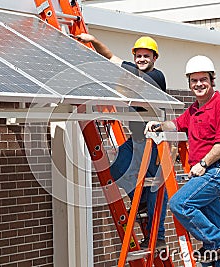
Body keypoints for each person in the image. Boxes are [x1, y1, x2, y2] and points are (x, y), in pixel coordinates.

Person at [75, 33, 168, 248]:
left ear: (155, 58)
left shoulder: (157, 76)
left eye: (147, 55)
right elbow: (110, 57)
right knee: (116, 170)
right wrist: (93, 39)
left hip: (154, 142)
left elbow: (147, 95)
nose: (142, 59)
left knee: (156, 188)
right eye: (138, 55)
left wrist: (125, 90)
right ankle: (141, 201)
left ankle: (158, 236)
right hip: (136, 140)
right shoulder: (132, 71)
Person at [145, 55, 220, 266]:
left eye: (203, 79)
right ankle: (217, 246)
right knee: (215, 224)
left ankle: (217, 242)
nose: (199, 84)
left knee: (180, 203)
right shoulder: (194, 109)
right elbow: (176, 125)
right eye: (194, 81)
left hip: (214, 172)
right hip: (204, 174)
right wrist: (158, 125)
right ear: (189, 83)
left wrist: (203, 163)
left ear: (212, 80)